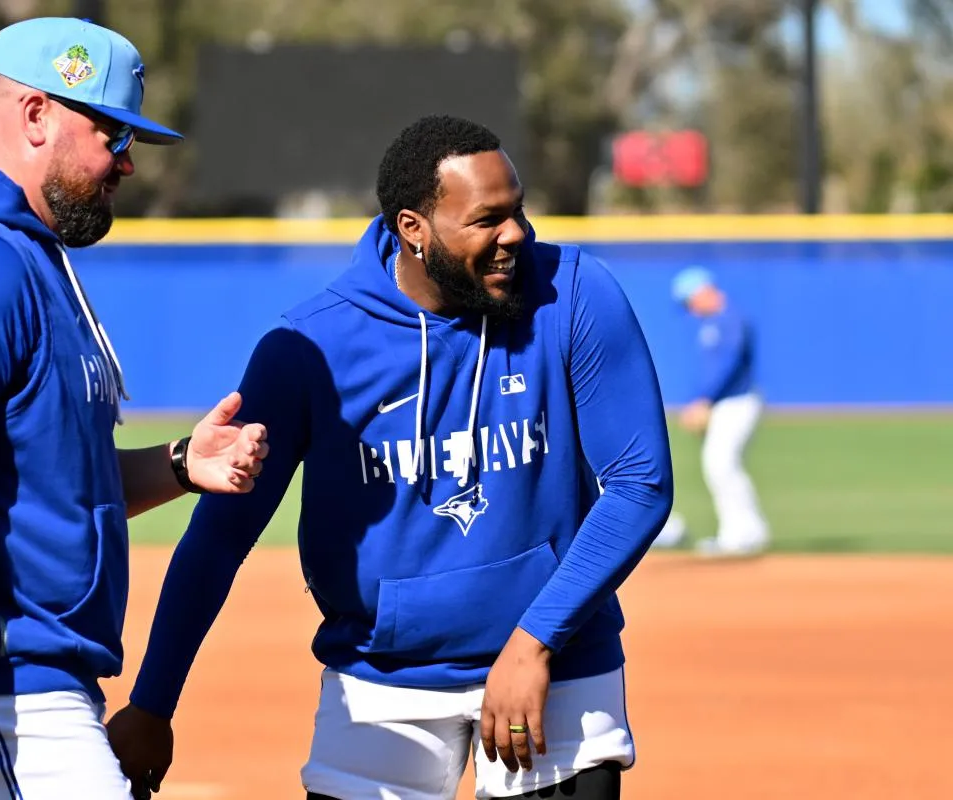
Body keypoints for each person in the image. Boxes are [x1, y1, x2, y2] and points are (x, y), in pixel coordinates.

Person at [107, 115, 673, 800]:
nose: (516, 235)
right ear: (413, 228)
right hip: (383, 680)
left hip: (556, 663)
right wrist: (153, 703)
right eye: (487, 220)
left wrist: (534, 642)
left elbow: (640, 483)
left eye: (517, 210)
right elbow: (220, 536)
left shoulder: (574, 293)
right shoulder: (309, 348)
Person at [0, 17, 269, 800]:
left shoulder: (26, 258)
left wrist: (180, 465)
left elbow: (57, 480)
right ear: (36, 115)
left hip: (15, 670)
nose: (128, 162)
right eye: (112, 132)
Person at [652, 267, 769, 557]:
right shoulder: (714, 322)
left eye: (689, 301)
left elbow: (728, 365)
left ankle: (742, 533)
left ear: (703, 291)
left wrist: (704, 400)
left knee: (721, 463)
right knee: (720, 465)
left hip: (737, 401)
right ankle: (746, 531)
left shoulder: (729, 319)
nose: (690, 310)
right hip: (725, 403)